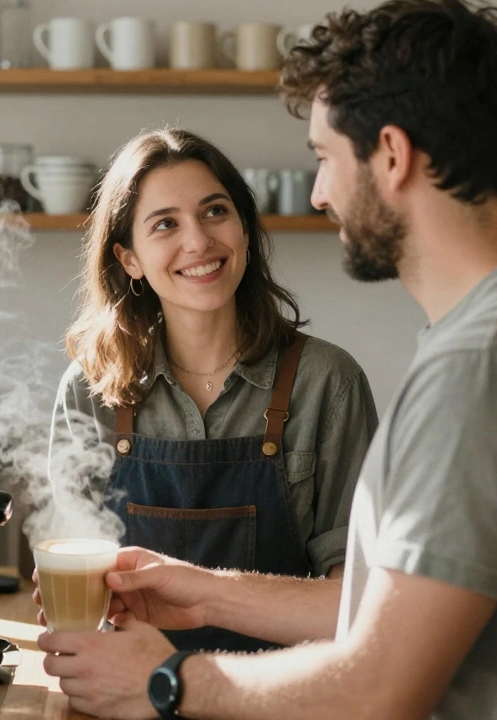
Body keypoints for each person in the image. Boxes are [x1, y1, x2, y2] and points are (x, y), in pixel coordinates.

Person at [36, 2, 497, 719]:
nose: (320, 194)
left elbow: (378, 686)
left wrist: (166, 680)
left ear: (391, 153)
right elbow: (375, 612)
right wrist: (200, 590)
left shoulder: (484, 368)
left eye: (325, 158)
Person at [46, 127, 379, 652]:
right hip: (132, 694)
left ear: (244, 229)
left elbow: (361, 604)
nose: (198, 241)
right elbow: (82, 591)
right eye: (165, 224)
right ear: (128, 258)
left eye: (215, 211)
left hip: (284, 700)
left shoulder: (327, 384)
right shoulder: (90, 391)